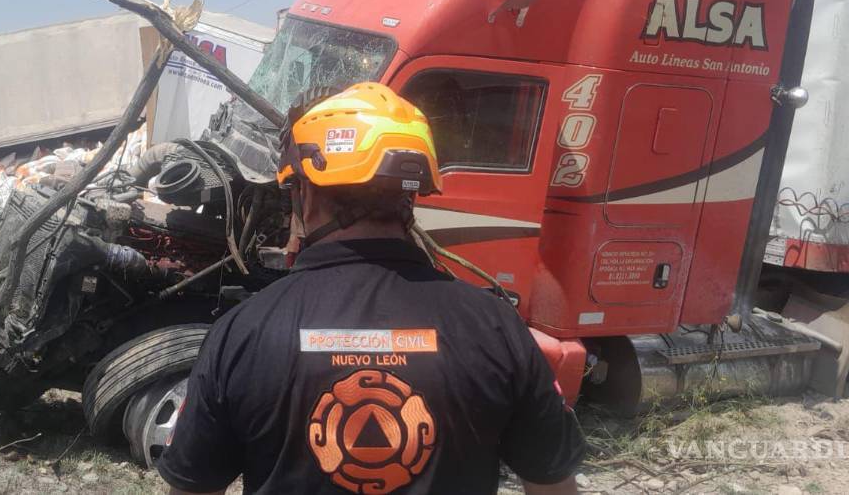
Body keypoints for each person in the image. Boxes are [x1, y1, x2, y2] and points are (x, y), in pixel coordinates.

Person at [156, 82, 585, 494]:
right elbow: (553, 486)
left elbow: (194, 489)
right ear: (411, 195)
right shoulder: (496, 329)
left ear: (305, 195)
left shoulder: (243, 333)